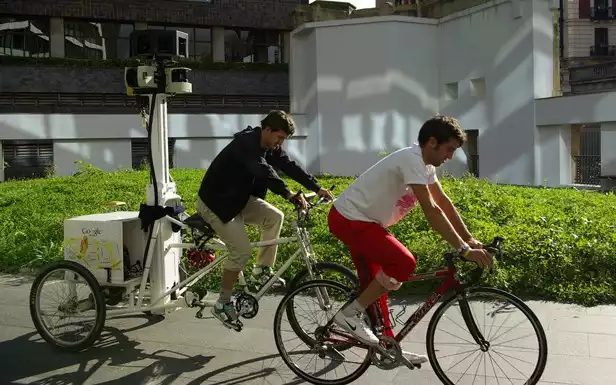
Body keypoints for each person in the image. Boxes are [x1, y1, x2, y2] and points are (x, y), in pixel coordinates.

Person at [327, 115, 493, 364]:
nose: (450, 156)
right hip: (350, 218)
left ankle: (387, 348)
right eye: (449, 150)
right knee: (403, 263)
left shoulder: (426, 166)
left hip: (366, 222)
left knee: (378, 285)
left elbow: (444, 203)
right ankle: (350, 315)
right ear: (432, 142)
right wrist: (464, 249)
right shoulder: (411, 159)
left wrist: (469, 238)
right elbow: (432, 210)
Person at [196, 110, 334, 329]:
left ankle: (261, 270)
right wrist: (288, 194)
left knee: (274, 217)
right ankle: (223, 303)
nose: (280, 143)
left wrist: (317, 188)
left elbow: (289, 166)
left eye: (283, 139)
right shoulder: (246, 145)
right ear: (267, 130)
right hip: (216, 203)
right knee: (240, 251)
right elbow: (264, 171)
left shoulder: (270, 145)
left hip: (239, 199)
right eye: (279, 137)